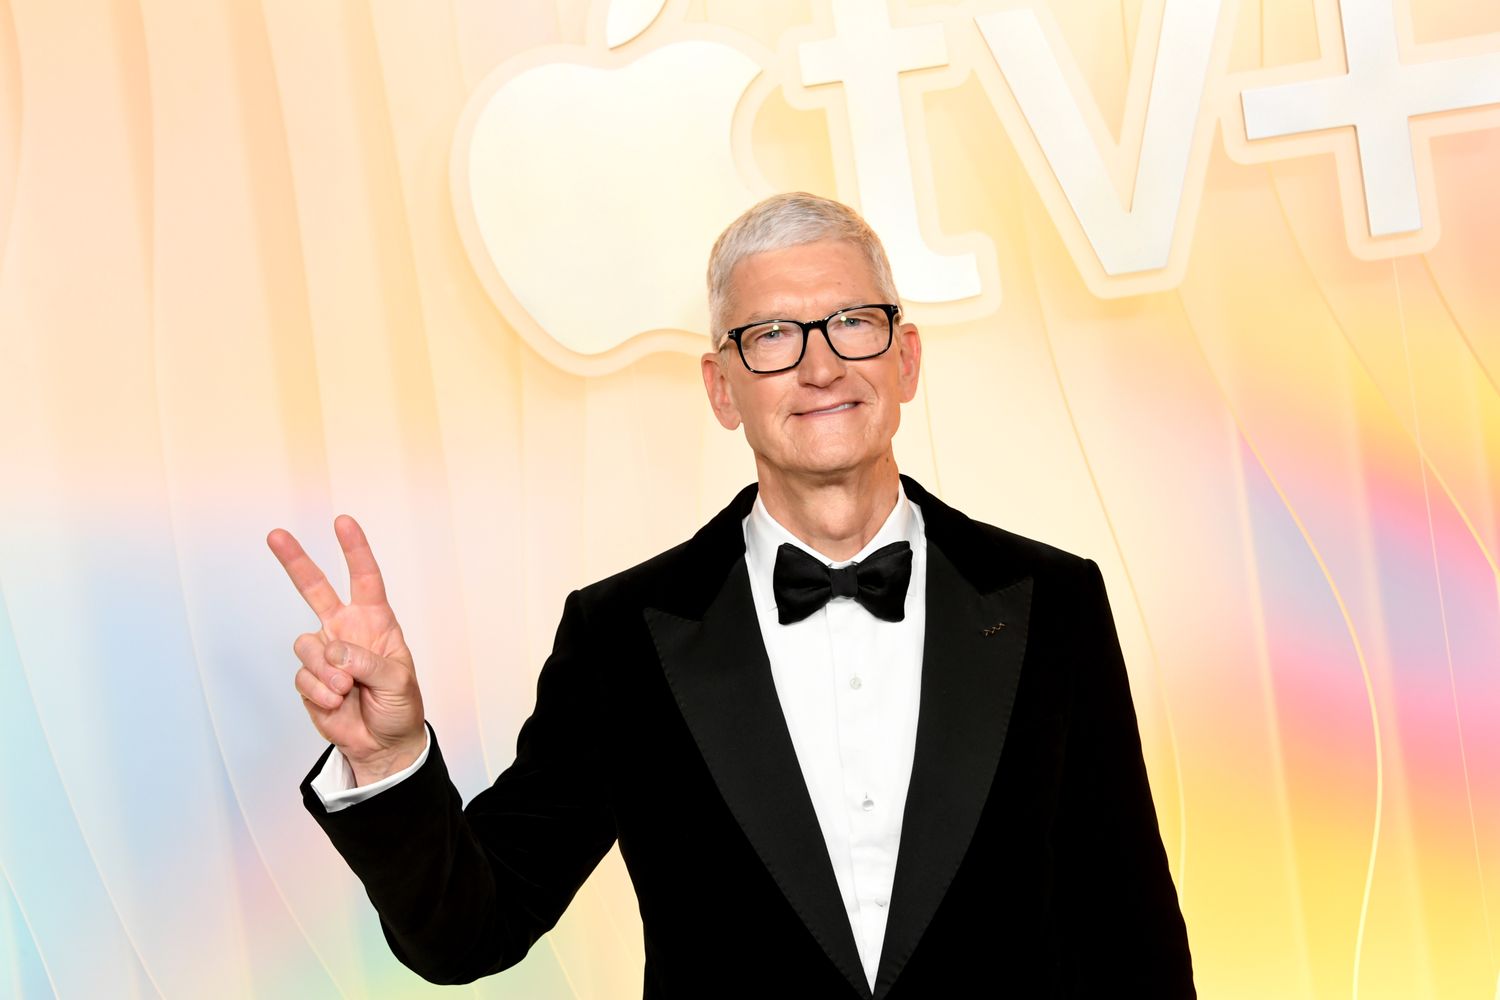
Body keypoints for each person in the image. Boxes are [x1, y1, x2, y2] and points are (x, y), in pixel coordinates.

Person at [269, 192, 1194, 998]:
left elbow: (1131, 934)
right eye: (773, 337)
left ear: (905, 359)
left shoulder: (1055, 600)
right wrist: (389, 759)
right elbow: (471, 930)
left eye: (852, 322)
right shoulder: (619, 638)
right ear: (722, 388)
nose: (821, 366)